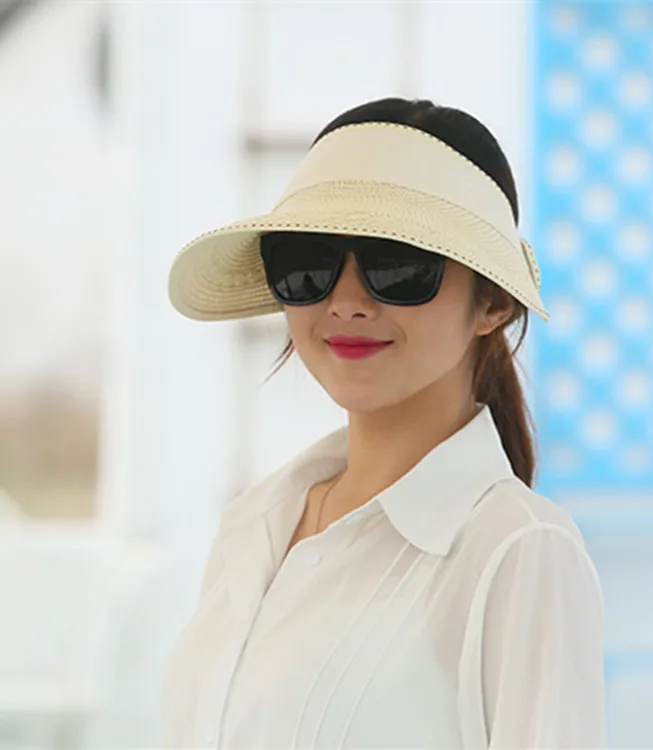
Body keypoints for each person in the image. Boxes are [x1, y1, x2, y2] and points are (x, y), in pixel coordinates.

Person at [161, 97, 607, 749]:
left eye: (398, 266)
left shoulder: (518, 550)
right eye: (307, 264)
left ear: (492, 301)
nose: (346, 302)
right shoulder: (255, 524)